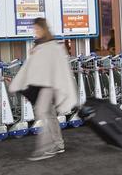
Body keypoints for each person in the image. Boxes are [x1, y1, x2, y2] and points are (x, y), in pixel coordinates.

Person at [9, 18, 78, 161]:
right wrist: (20, 79)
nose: (35, 31)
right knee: (49, 115)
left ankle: (47, 148)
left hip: (49, 86)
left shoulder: (50, 45)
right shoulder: (39, 45)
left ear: (43, 29)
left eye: (37, 29)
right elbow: (33, 67)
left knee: (43, 113)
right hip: (42, 86)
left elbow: (56, 65)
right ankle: (58, 144)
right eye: (34, 29)